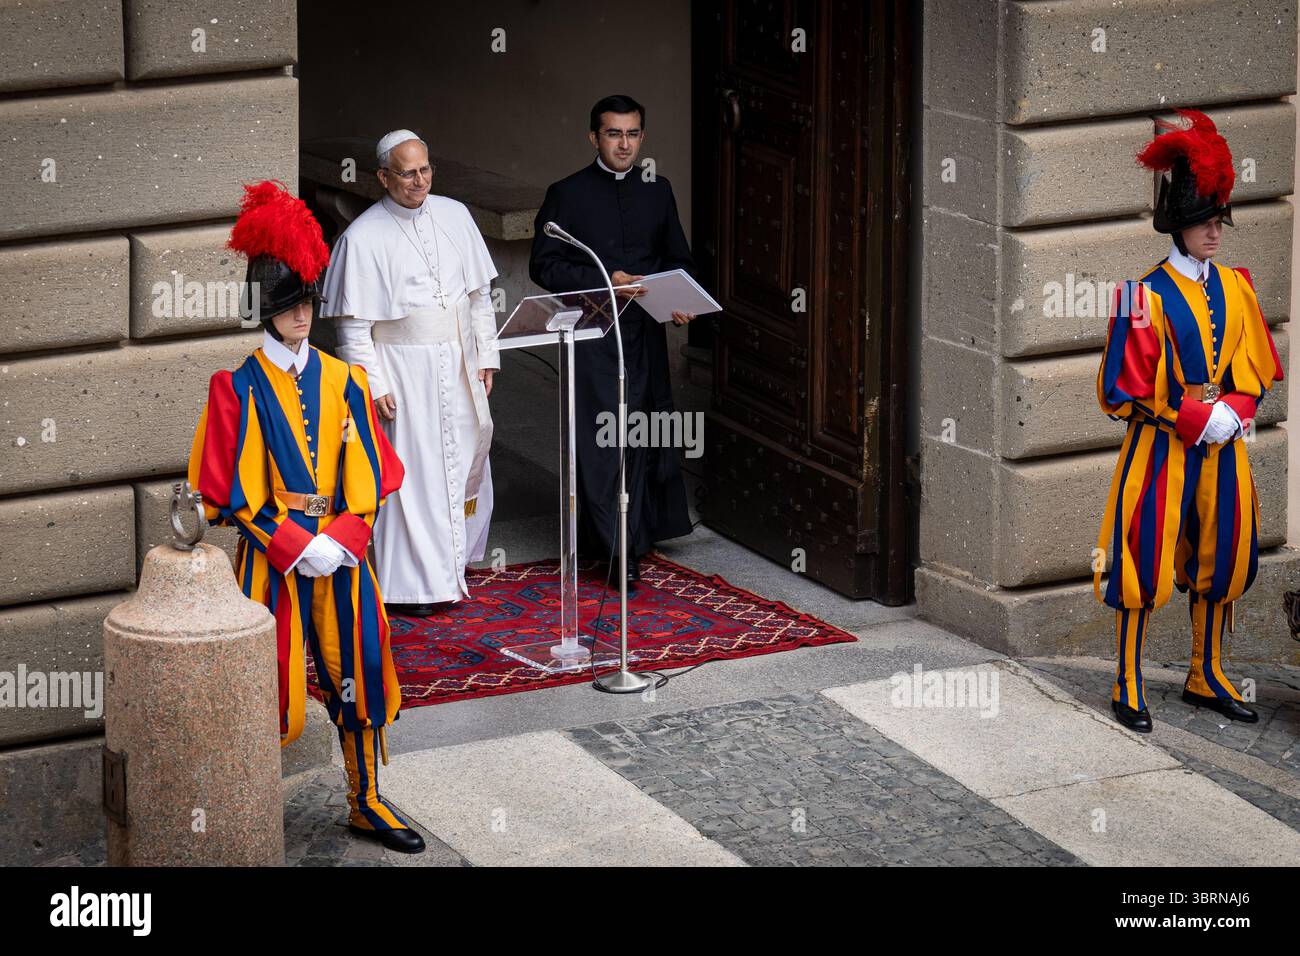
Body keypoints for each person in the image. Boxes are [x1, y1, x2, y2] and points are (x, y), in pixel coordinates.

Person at [187, 180, 425, 853]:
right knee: (263, 690)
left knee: (359, 669)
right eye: (288, 302)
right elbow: (234, 492)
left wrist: (345, 539)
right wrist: (299, 544)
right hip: (273, 562)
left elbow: (371, 478)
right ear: (266, 307)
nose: (301, 313)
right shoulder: (234, 388)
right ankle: (244, 808)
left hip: (342, 556)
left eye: (307, 299)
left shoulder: (344, 380)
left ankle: (367, 799)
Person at [1095, 109, 1283, 733]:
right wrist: (1192, 416)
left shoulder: (1238, 286)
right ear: (1177, 227)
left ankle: (1207, 674)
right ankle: (1128, 678)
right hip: (1160, 448)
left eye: (1218, 221)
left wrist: (1237, 410)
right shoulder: (1137, 295)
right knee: (1142, 556)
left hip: (1224, 446)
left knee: (1222, 551)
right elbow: (1121, 387)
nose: (1215, 233)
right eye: (1205, 222)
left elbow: (1256, 366)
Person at [321, 130, 500, 617]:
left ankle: (454, 569)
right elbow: (354, 329)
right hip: (404, 373)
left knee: (463, 461)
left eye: (425, 169)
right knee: (413, 478)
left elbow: (479, 296)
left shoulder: (455, 216)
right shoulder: (361, 238)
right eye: (406, 172)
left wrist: (487, 355)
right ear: (383, 177)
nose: (418, 181)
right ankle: (411, 587)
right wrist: (373, 386)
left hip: (458, 361)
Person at [529, 94, 696, 589]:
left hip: (645, 328)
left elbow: (679, 258)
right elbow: (545, 264)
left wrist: (679, 296)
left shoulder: (658, 190)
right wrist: (606, 279)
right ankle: (615, 547)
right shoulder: (568, 193)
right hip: (596, 332)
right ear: (594, 137)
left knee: (642, 431)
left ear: (642, 136)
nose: (624, 144)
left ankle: (638, 534)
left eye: (632, 134)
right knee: (605, 438)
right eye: (613, 134)